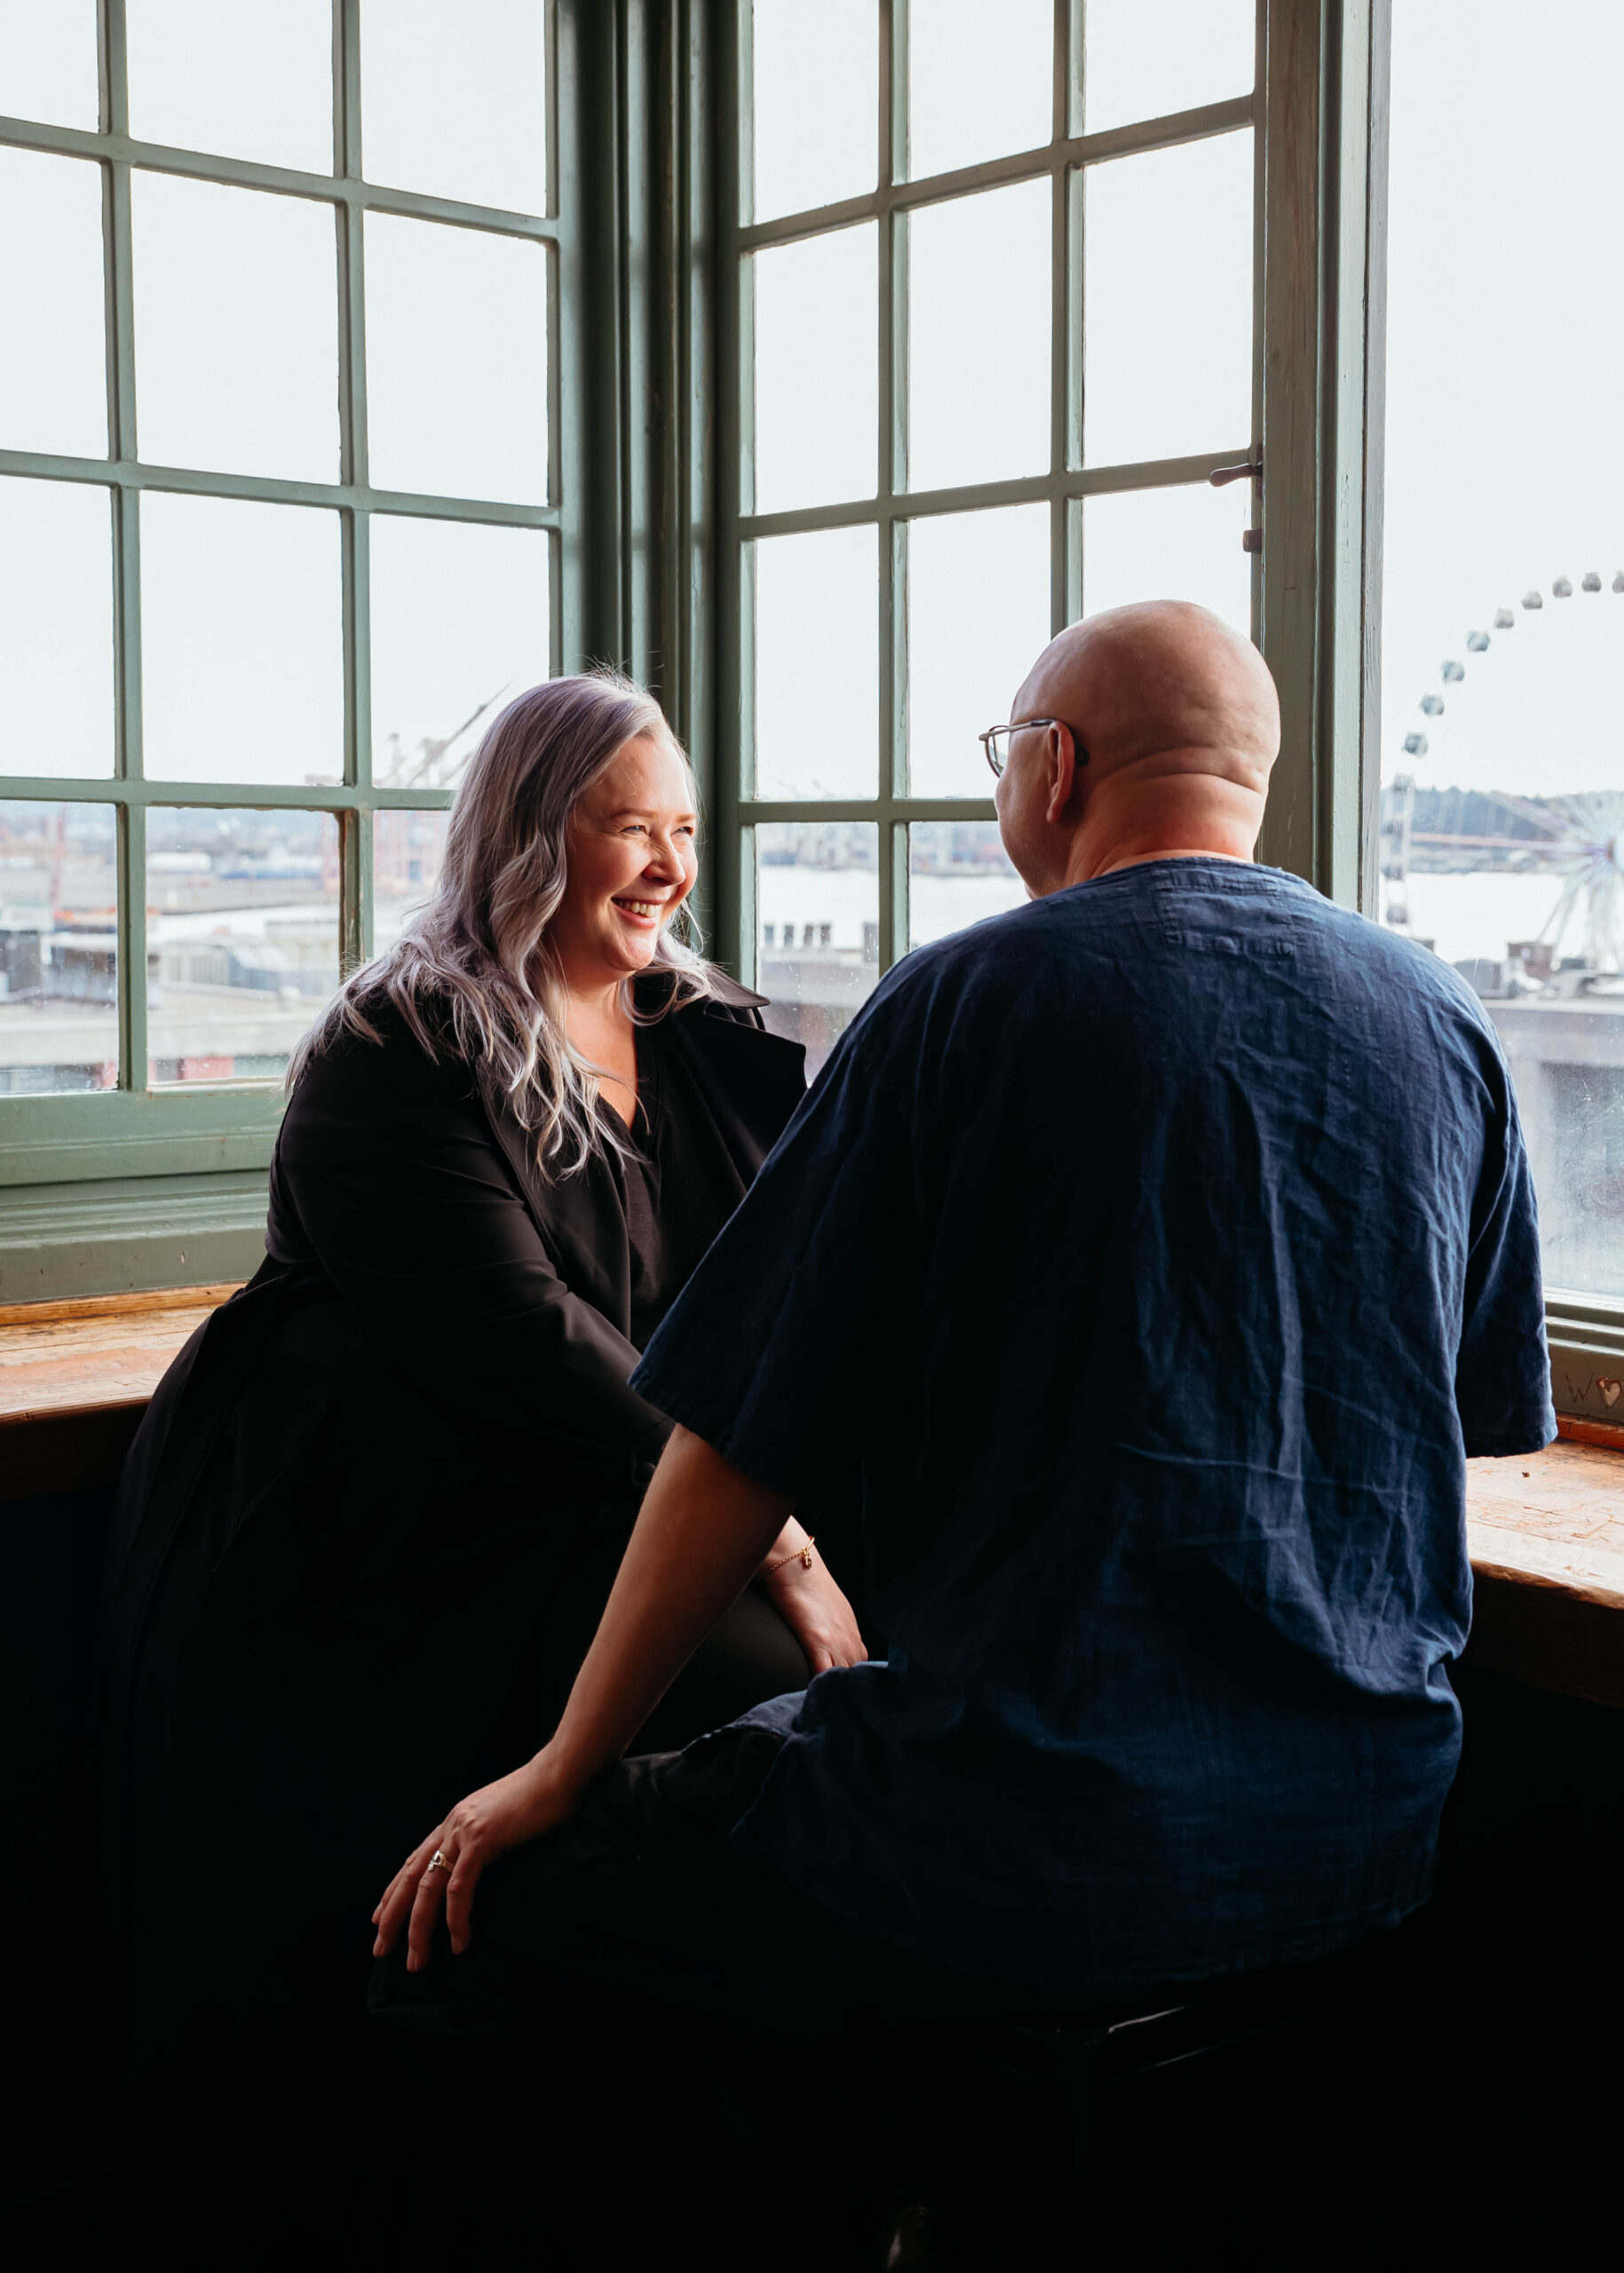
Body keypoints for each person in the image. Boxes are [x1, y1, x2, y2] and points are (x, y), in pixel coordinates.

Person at [370, 601, 1553, 2030]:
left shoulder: (963, 1003)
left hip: (1022, 1833)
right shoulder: (1444, 1023)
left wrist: (557, 1771)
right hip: (1370, 1820)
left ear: (1054, 768)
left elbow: (739, 1439)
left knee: (489, 1927)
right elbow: (1475, 1417)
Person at [97, 671, 864, 2001]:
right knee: (757, 1689)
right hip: (398, 1531)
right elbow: (525, 1343)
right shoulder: (399, 1037)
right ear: (528, 830)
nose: (669, 866)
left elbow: (778, 1287)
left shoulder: (697, 1032)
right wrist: (777, 1540)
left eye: (683, 830)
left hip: (609, 1494)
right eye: (631, 827)